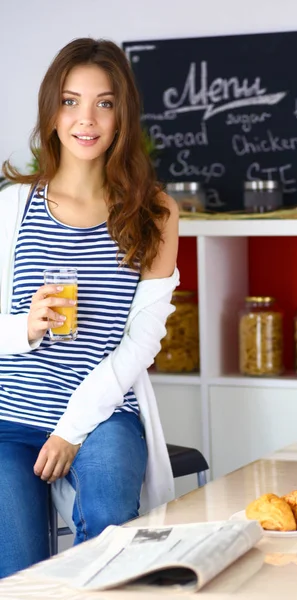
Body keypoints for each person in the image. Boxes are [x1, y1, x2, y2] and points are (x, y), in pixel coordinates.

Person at [0, 37, 180, 578]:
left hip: (102, 414)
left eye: (104, 102)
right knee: (19, 571)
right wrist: (23, 328)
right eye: (70, 100)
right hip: (11, 417)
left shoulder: (154, 212)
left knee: (108, 527)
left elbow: (142, 342)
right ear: (51, 111)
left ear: (122, 114)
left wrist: (71, 428)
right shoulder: (13, 204)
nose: (87, 118)